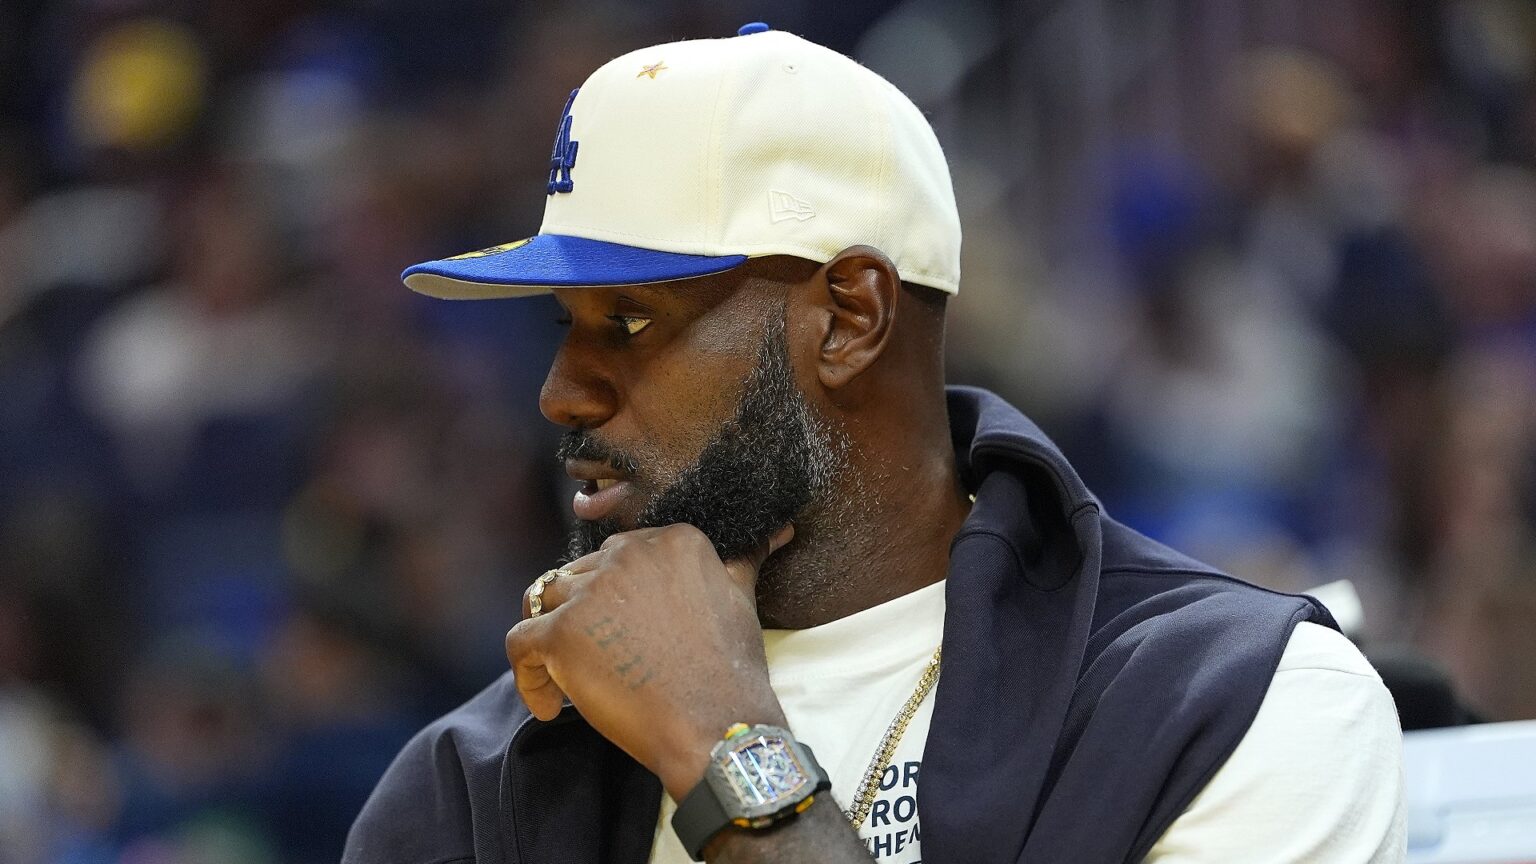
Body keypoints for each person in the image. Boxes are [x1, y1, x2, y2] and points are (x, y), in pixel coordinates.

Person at [343, 24, 1405, 864]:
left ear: (850, 318)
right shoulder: (470, 779)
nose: (559, 394)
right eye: (560, 327)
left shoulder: (1228, 702)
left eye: (627, 322)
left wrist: (726, 753)